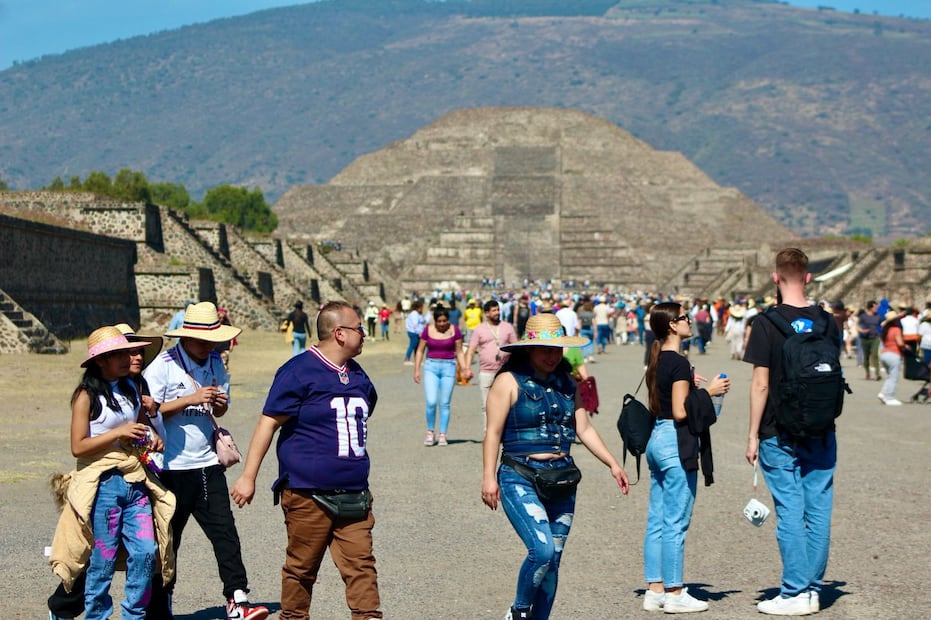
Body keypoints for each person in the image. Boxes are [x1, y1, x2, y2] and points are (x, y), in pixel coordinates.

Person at [230, 301, 382, 620]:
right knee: (301, 570)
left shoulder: (358, 375)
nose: (364, 334)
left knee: (362, 569)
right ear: (339, 333)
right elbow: (268, 423)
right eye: (359, 328)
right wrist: (248, 476)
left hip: (354, 494)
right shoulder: (298, 371)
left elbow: (364, 412)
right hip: (307, 494)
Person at [482, 313, 630, 620]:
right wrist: (488, 478)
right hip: (518, 476)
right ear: (529, 350)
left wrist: (613, 463)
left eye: (557, 349)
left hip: (562, 479)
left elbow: (584, 428)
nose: (552, 355)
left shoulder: (569, 383)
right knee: (543, 550)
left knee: (554, 560)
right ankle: (519, 612)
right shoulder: (508, 382)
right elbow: (493, 433)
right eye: (545, 349)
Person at [144, 302, 268, 620]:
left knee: (224, 532)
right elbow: (148, 410)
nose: (210, 345)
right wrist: (189, 399)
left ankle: (238, 600)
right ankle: (159, 605)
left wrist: (221, 403)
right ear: (186, 337)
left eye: (214, 339)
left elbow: (217, 410)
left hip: (207, 464)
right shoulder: (163, 365)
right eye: (204, 339)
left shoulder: (214, 360)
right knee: (167, 542)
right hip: (169, 468)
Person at [50, 326, 172, 620]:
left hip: (135, 481)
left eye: (126, 352)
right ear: (100, 361)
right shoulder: (85, 396)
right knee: (102, 562)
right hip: (103, 485)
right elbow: (78, 446)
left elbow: (142, 429)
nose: (126, 358)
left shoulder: (132, 388)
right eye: (117, 354)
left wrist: (151, 438)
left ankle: (134, 616)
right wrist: (118, 432)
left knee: (145, 554)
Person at [744, 247, 841, 616]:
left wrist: (752, 434)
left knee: (790, 510)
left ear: (774, 277)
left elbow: (760, 383)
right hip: (821, 426)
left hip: (777, 430)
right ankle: (813, 587)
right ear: (808, 276)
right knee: (818, 510)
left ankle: (795, 590)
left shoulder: (766, 323)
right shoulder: (827, 321)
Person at [641, 303, 728, 614]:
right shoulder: (677, 362)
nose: (689, 320)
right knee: (676, 523)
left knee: (657, 521)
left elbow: (664, 400)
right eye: (683, 317)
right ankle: (675, 593)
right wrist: (710, 392)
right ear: (672, 326)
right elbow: (680, 411)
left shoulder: (657, 358)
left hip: (656, 439)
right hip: (675, 443)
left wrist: (690, 382)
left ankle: (654, 590)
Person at [414, 306, 466, 446]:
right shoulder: (428, 330)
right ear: (435, 320)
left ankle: (443, 434)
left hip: (449, 367)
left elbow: (459, 352)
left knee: (445, 403)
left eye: (445, 320)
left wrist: (464, 368)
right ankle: (430, 432)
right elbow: (420, 351)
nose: (442, 324)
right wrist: (417, 369)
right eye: (439, 321)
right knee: (431, 401)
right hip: (431, 367)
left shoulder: (454, 330)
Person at [462, 299, 518, 429]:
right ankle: (489, 433)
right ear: (486, 313)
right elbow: (471, 350)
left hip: (505, 372)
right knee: (486, 404)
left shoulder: (507, 327)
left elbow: (515, 348)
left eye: (498, 310)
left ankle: (505, 433)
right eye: (494, 310)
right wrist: (466, 368)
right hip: (486, 371)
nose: (497, 312)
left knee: (506, 404)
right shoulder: (479, 329)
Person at [878, 310, 905, 406]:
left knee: (890, 376)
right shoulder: (896, 330)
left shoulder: (885, 330)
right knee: (893, 377)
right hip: (894, 354)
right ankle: (889, 396)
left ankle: (883, 392)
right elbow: (900, 342)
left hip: (884, 353)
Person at [858, 300, 882, 381]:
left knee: (875, 354)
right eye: (875, 307)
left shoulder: (878, 316)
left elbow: (881, 324)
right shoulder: (863, 316)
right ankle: (867, 373)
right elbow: (857, 325)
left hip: (875, 337)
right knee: (866, 356)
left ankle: (877, 373)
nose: (877, 309)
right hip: (865, 338)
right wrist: (862, 330)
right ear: (870, 307)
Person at [404, 300, 425, 365]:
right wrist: (419, 332)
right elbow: (415, 324)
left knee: (417, 346)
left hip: (415, 332)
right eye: (421, 307)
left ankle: (417, 360)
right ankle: (406, 359)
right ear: (418, 307)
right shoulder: (414, 314)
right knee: (412, 345)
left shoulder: (417, 314)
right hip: (414, 332)